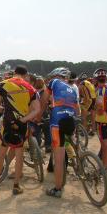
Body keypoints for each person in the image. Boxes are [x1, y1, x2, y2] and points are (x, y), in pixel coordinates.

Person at [0, 65, 40, 195]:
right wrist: (22, 120)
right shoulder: (31, 88)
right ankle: (16, 185)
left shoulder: (3, 84)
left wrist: (5, 111)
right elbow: (37, 110)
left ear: (14, 73)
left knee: (1, 153)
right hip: (22, 126)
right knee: (19, 156)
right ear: (25, 75)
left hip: (6, 124)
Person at [41, 68, 80, 198]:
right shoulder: (73, 89)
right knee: (70, 145)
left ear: (57, 76)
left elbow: (44, 100)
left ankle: (57, 189)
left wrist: (39, 115)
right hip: (71, 120)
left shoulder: (54, 82)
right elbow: (77, 110)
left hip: (57, 122)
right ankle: (80, 160)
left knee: (59, 159)